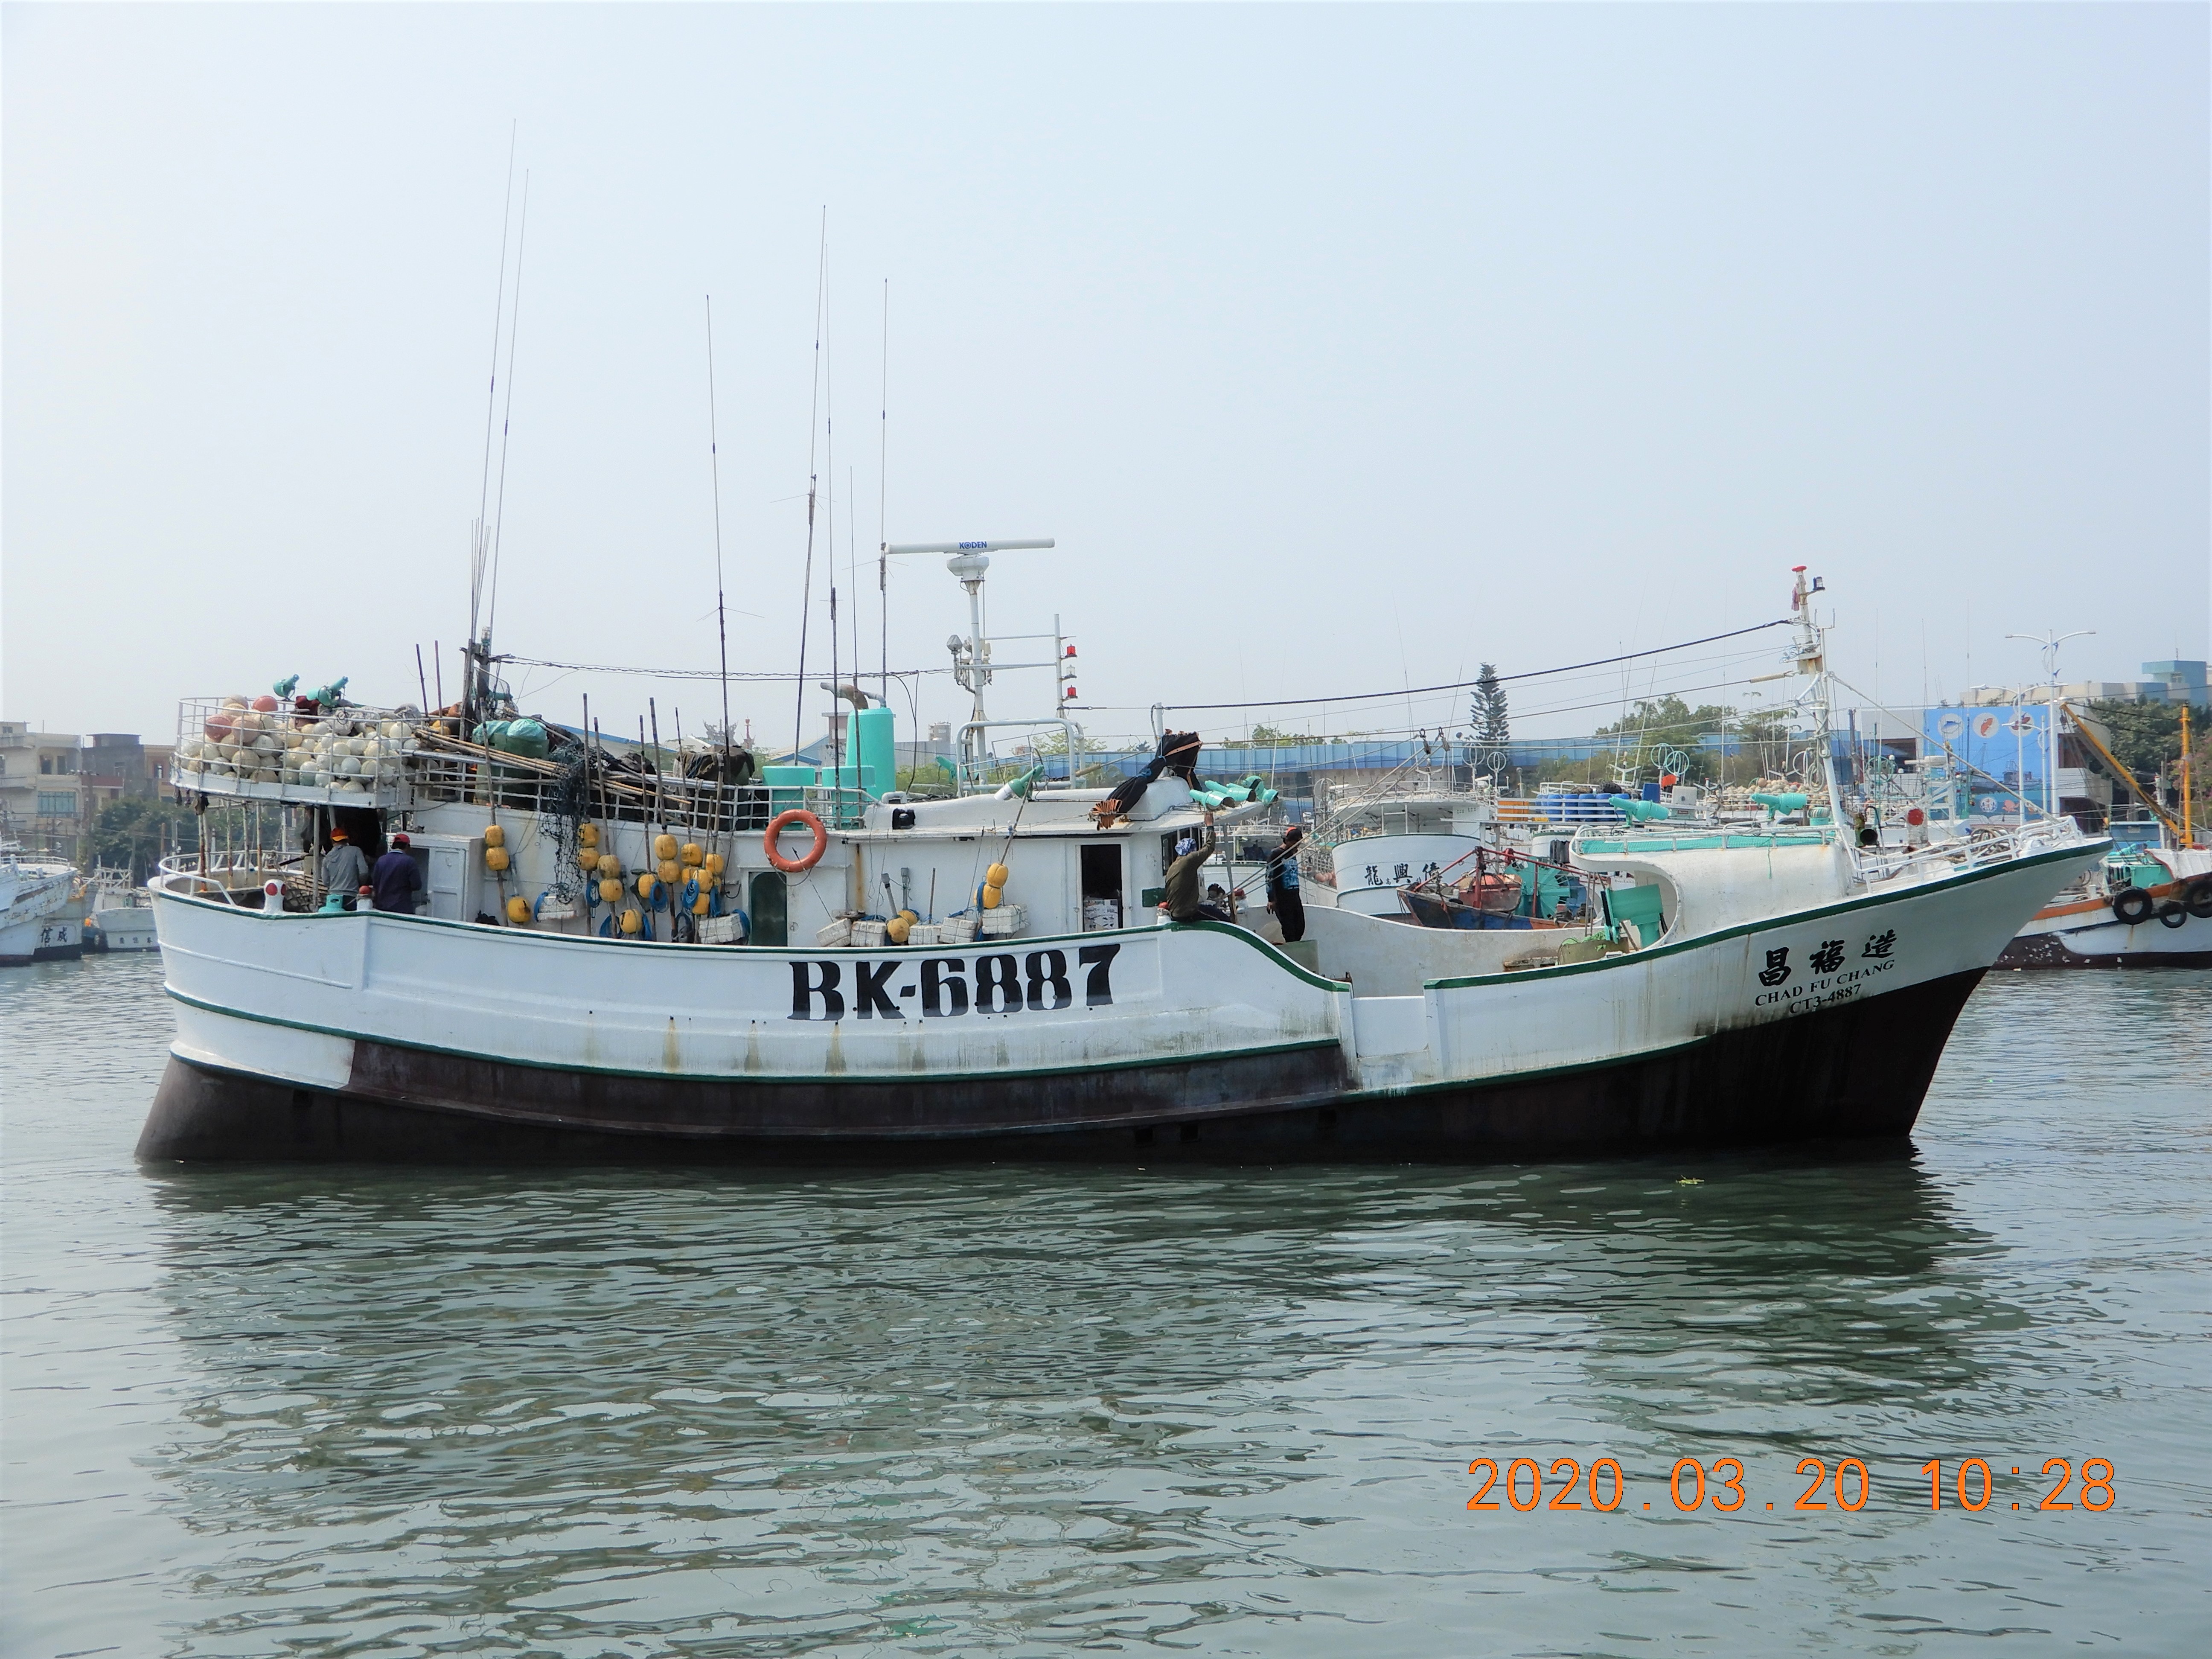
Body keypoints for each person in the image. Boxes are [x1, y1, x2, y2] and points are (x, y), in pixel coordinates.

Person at [1160, 812, 1230, 923]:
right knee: (1224, 919)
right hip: (1187, 912)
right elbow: (1209, 847)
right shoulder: (1189, 860)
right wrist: (1210, 825)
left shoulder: (1173, 866)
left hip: (1176, 912)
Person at [1262, 824, 1307, 943]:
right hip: (1282, 898)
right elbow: (1270, 876)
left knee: (1300, 927)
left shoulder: (1292, 854)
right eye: (1295, 843)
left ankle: (1294, 945)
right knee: (1289, 930)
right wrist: (1271, 899)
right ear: (1288, 841)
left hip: (1294, 896)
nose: (1297, 846)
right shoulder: (1276, 854)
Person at [371, 832, 425, 915]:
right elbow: (417, 885)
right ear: (407, 846)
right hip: (402, 907)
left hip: (382, 908)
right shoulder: (410, 861)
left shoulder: (381, 860)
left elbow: (375, 884)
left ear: (394, 845)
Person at [320, 826, 370, 911]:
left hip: (333, 899)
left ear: (332, 841)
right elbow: (364, 873)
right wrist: (358, 884)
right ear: (347, 839)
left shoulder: (327, 857)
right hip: (351, 897)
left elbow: (326, 881)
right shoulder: (356, 851)